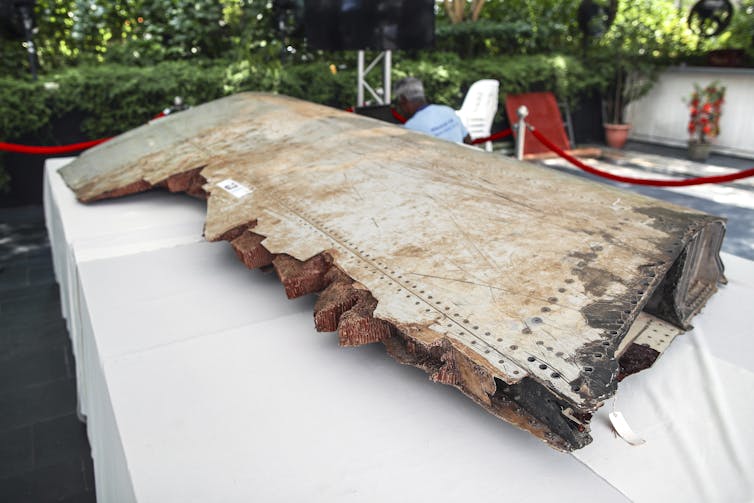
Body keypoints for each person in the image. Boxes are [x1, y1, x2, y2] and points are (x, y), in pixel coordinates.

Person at [393, 77, 472, 144]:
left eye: (398, 102)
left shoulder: (411, 127)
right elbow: (468, 140)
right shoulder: (447, 110)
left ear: (403, 99)